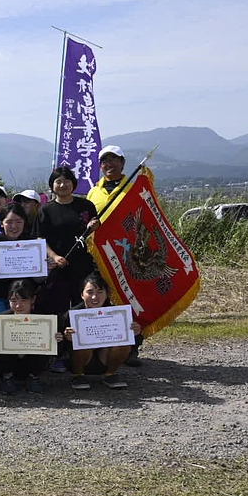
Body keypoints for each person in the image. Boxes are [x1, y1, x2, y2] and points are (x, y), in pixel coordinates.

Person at [86, 145, 145, 368]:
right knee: (100, 298)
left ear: (122, 163)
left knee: (129, 300)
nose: (108, 165)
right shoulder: (93, 192)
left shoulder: (132, 189)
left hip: (127, 254)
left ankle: (132, 347)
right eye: (104, 161)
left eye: (113, 160)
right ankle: (100, 344)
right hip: (99, 255)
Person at [36, 166, 100, 315]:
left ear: (73, 184)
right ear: (52, 185)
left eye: (67, 181)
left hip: (84, 265)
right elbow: (40, 238)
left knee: (84, 306)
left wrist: (94, 227)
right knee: (58, 307)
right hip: (57, 267)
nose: (63, 185)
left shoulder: (86, 206)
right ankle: (62, 337)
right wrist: (54, 256)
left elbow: (96, 232)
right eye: (58, 181)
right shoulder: (45, 210)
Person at [61, 272, 142, 390]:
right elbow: (58, 347)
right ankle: (78, 376)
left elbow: (134, 343)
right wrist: (65, 337)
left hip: (105, 359)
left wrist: (135, 332)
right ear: (82, 295)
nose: (95, 297)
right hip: (78, 361)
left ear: (107, 294)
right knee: (83, 340)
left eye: (100, 292)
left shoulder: (118, 315)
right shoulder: (71, 315)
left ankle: (110, 374)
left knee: (124, 342)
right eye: (90, 292)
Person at [0, 278, 63, 395]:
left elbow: (58, 348)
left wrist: (57, 338)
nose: (18, 305)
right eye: (13, 301)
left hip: (32, 362)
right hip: (7, 364)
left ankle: (34, 378)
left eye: (23, 300)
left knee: (48, 339)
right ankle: (7, 378)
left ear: (33, 299)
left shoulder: (44, 320)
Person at [0, 203, 39, 322]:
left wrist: (46, 267)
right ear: (1, 223)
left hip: (23, 299)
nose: (14, 226)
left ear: (24, 222)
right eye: (9, 222)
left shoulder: (32, 244)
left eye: (18, 222)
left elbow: (39, 279)